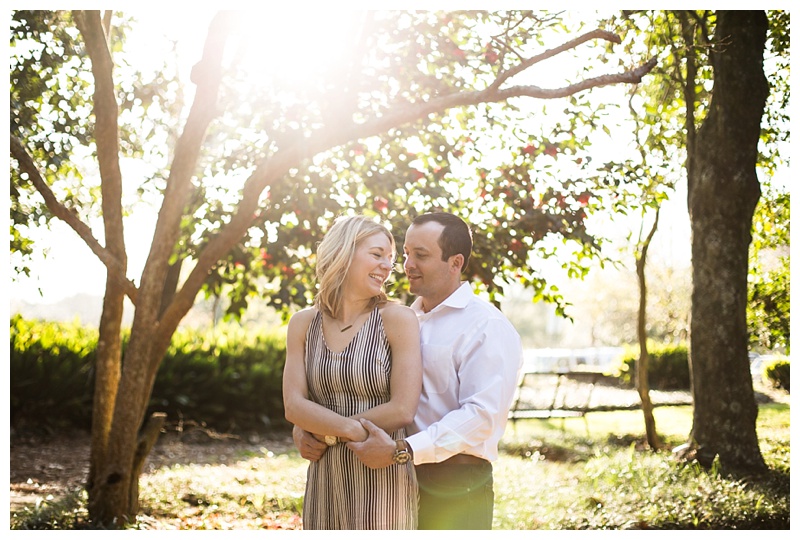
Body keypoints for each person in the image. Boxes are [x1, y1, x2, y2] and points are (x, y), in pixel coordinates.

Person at [295, 211, 524, 530]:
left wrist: (401, 451)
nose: (405, 265)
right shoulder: (400, 319)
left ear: (455, 263)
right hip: (389, 476)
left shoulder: (486, 325)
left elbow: (482, 417)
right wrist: (311, 428)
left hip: (453, 481)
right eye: (405, 254)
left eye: (421, 255)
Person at [282, 214, 422, 530]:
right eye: (377, 254)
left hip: (380, 473)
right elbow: (293, 405)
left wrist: (325, 430)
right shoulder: (303, 324)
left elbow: (402, 408)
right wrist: (348, 430)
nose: (389, 266)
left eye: (390, 258)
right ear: (343, 252)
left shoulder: (397, 319)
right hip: (324, 475)